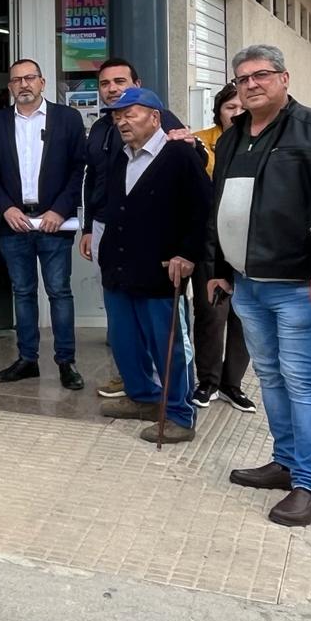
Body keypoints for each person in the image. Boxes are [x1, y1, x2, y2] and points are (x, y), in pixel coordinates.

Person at [205, 44, 311, 527]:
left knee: (302, 382)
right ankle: (286, 464)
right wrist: (219, 267)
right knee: (271, 378)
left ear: (284, 78)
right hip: (248, 284)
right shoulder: (234, 137)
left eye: (261, 75)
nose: (251, 84)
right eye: (242, 79)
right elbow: (223, 208)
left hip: (300, 286)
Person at [94, 87, 213, 444]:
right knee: (125, 341)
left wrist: (188, 254)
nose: (122, 122)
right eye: (117, 117)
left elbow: (203, 210)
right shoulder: (121, 156)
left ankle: (179, 413)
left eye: (129, 114)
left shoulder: (180, 154)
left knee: (169, 346)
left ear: (155, 117)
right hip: (119, 267)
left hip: (162, 270)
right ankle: (143, 397)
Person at [76, 58, 197, 401]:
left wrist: (186, 250)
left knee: (161, 325)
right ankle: (136, 385)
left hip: (153, 244)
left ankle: (176, 401)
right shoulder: (104, 130)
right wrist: (89, 226)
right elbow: (93, 180)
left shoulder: (165, 127)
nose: (112, 89)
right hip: (109, 235)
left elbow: (195, 186)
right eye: (105, 84)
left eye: (120, 81)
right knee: (122, 320)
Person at [0, 57, 87, 390]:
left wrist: (60, 209)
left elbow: (79, 168)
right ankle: (27, 359)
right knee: (23, 292)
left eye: (30, 78)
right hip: (14, 223)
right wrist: (5, 208)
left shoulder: (67, 118)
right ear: (10, 87)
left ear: (42, 82)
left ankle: (66, 362)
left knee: (59, 292)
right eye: (17, 80)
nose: (23, 84)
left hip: (54, 222)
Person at [190, 83, 254, 412]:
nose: (237, 113)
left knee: (244, 316)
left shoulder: (261, 142)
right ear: (219, 112)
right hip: (211, 243)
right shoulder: (199, 142)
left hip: (251, 245)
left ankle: (233, 384)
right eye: (231, 108)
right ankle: (208, 381)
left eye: (243, 108)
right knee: (211, 314)